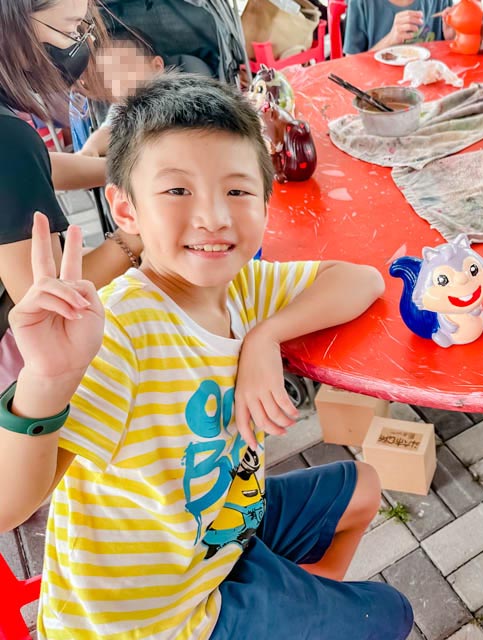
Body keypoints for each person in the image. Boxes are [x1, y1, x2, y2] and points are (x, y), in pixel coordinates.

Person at [0, 73, 413, 640]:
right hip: (144, 622)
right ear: (125, 210)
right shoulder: (120, 332)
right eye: (177, 191)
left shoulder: (239, 286)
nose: (214, 217)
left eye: (238, 191)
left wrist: (265, 339)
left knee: (364, 488)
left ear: (266, 202)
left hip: (215, 543)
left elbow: (361, 280)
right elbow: (9, 506)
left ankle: (284, 604)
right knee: (388, 615)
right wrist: (46, 381)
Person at [0, 0, 143, 389]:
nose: (78, 44)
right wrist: (144, 227)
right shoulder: (8, 140)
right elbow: (53, 303)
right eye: (70, 28)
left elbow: (37, 164)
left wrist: (125, 167)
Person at [79, 29, 164, 157]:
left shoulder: (180, 95)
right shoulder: (121, 107)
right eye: (110, 77)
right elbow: (108, 131)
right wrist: (91, 148)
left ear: (156, 67)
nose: (118, 82)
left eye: (124, 70)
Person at [343, 0, 454, 55]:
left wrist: (452, 40)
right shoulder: (361, 3)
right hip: (378, 91)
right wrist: (390, 39)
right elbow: (351, 66)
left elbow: (451, 62)